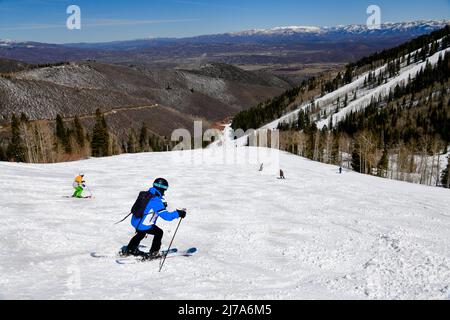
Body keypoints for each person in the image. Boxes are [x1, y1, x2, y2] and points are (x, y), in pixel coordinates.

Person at [124, 178, 187, 259]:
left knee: (141, 233)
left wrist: (161, 206)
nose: (164, 192)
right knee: (159, 232)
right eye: (164, 190)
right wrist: (178, 213)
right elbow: (167, 217)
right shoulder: (156, 201)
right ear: (161, 189)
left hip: (135, 221)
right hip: (143, 224)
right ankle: (154, 253)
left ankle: (130, 249)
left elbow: (147, 206)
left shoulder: (146, 194)